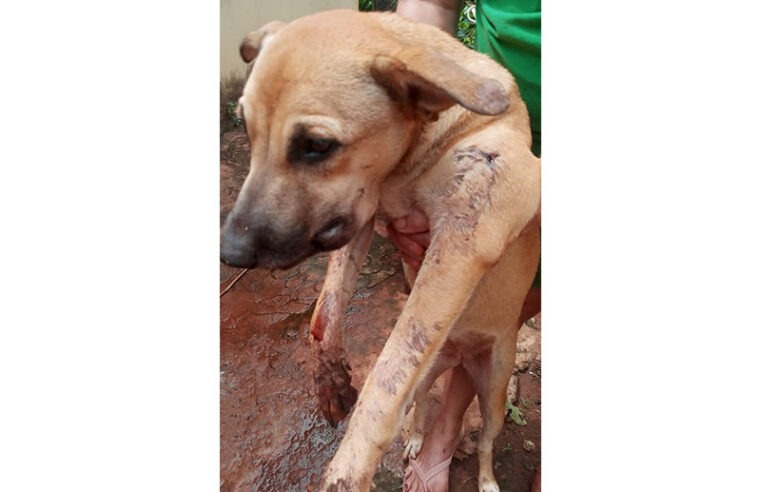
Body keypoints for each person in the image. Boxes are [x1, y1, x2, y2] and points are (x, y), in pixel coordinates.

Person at [391, 1, 541, 491]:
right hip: (483, 133)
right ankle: (437, 427)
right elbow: (432, 4)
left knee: (517, 301)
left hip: (524, 172)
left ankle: (485, 464)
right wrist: (405, 136)